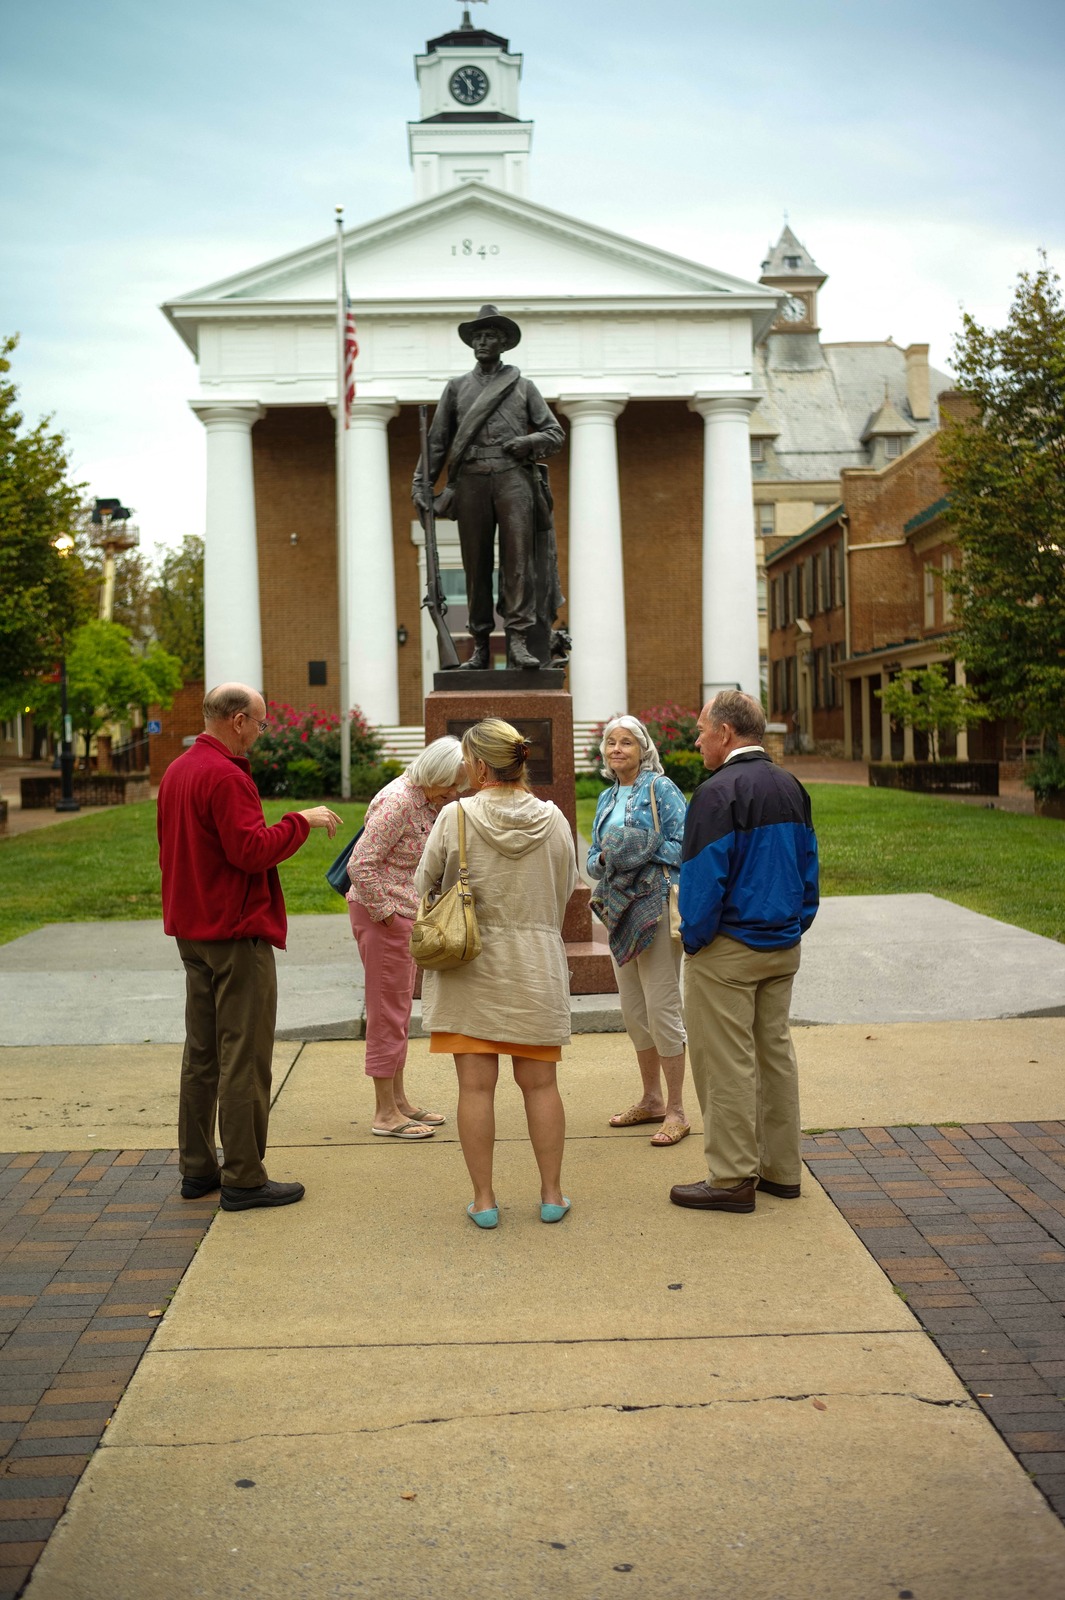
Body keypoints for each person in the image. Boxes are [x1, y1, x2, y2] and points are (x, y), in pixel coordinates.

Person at [157, 683, 342, 1212]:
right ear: (238, 721)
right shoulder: (226, 775)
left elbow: (176, 848)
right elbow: (250, 851)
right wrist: (299, 822)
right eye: (260, 725)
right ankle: (243, 1177)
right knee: (244, 1057)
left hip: (192, 931)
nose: (261, 734)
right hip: (236, 934)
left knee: (202, 1054)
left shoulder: (179, 770)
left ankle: (198, 1168)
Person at [414, 719, 579, 1228]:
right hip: (534, 964)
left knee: (475, 1088)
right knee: (541, 1085)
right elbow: (567, 886)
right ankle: (551, 1193)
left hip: (471, 964)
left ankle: (484, 1200)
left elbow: (426, 882)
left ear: (481, 765)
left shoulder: (455, 816)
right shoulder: (554, 819)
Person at [669, 691, 819, 1215]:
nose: (698, 737)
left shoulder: (717, 792)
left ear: (726, 734)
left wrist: (694, 939)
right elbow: (809, 867)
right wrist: (796, 924)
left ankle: (732, 1178)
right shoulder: (790, 785)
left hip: (728, 949)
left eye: (703, 728)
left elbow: (702, 880)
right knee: (774, 1056)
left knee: (726, 1064)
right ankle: (781, 1171)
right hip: (782, 943)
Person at [413, 304, 565, 670]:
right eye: (477, 336)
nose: (482, 342)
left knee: (518, 565)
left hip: (514, 478)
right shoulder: (457, 389)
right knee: (475, 565)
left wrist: (527, 442)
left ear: (503, 343)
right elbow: (436, 442)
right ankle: (480, 645)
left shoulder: (524, 388)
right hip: (472, 481)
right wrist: (422, 483)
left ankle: (517, 641)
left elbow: (554, 433)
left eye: (490, 336)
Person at [346, 736, 467, 1139]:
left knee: (396, 1012)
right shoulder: (400, 801)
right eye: (450, 784)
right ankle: (385, 1114)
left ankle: (399, 1101)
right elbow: (360, 865)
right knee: (386, 1013)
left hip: (400, 914)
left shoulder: (423, 799)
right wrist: (388, 917)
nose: (454, 793)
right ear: (434, 774)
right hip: (384, 916)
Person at [587, 716, 690, 1146]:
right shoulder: (606, 797)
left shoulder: (660, 789)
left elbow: (685, 844)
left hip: (657, 908)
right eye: (611, 743)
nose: (616, 749)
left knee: (662, 1005)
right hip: (620, 910)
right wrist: (608, 857)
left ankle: (677, 1110)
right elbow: (593, 857)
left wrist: (636, 847)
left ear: (642, 748)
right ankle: (650, 1100)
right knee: (633, 1008)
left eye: (626, 742)